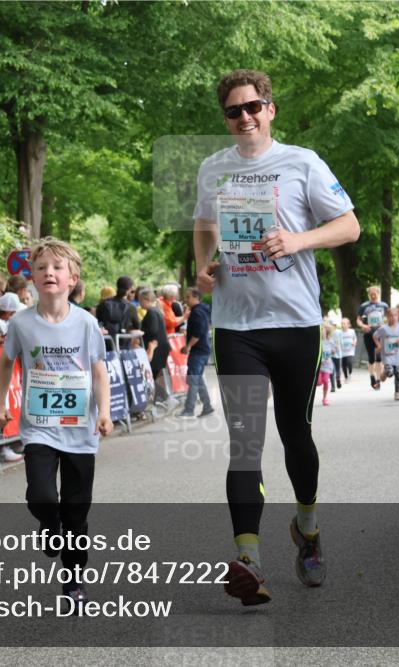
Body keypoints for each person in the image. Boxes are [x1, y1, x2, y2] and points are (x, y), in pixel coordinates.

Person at [193, 69, 360, 605]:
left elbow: (350, 226)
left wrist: (298, 240)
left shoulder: (302, 162)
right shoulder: (212, 169)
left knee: (297, 436)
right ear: (225, 118)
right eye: (233, 111)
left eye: (252, 107)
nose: (244, 118)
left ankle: (307, 528)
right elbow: (203, 226)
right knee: (245, 446)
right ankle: (249, 561)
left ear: (270, 109)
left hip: (295, 322)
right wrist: (202, 265)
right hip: (236, 325)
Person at [0, 237, 112, 608]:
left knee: (78, 510)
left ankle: (74, 580)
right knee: (43, 497)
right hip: (39, 426)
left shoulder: (87, 323)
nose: (49, 274)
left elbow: (99, 371)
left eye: (58, 268)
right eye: (42, 267)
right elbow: (6, 363)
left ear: (73, 278)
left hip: (80, 430)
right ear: (31, 277)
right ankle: (49, 522)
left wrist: (104, 412)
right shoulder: (23, 324)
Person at [177, 287, 214, 418]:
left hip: (198, 351)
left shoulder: (197, 312)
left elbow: (198, 333)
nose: (186, 300)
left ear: (195, 297)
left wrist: (188, 346)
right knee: (197, 379)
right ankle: (207, 406)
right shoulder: (201, 310)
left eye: (188, 297)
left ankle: (189, 409)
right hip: (202, 349)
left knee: (193, 379)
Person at [138, 288, 170, 403]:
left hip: (157, 348)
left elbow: (153, 330)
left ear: (146, 300)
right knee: (154, 375)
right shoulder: (157, 311)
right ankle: (161, 398)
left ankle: (164, 398)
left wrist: (141, 331)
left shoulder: (152, 312)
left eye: (140, 300)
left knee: (152, 374)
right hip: (161, 346)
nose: (139, 303)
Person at [357, 286, 389, 390]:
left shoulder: (384, 305)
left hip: (380, 334)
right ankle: (372, 378)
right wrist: (363, 326)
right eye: (371, 294)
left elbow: (389, 318)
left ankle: (378, 380)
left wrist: (386, 325)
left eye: (374, 294)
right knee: (371, 358)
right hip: (368, 334)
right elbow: (358, 320)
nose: (373, 295)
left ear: (378, 293)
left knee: (379, 358)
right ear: (368, 294)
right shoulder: (364, 306)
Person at [373, 306, 399, 401]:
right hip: (387, 356)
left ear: (398, 316)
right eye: (391, 316)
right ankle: (385, 373)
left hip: (397, 355)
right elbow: (375, 336)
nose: (393, 317)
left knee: (397, 373)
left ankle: (397, 392)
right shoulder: (383, 329)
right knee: (390, 373)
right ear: (387, 317)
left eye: (395, 315)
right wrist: (379, 345)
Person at [95, 276, 141, 342]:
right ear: (129, 290)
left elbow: (99, 322)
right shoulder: (131, 307)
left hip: (105, 342)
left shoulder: (103, 304)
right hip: (123, 344)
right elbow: (138, 326)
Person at [316, 324, 335, 406]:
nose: (323, 332)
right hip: (319, 366)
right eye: (322, 330)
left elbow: (333, 350)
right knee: (319, 382)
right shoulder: (318, 341)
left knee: (326, 381)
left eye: (325, 330)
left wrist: (334, 351)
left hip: (327, 365)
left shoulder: (331, 341)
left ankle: (325, 398)